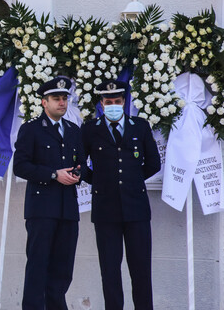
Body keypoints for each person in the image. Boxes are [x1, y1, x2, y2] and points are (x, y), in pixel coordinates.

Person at [81, 80, 161, 310]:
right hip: (106, 210)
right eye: (108, 102)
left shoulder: (140, 126)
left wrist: (133, 180)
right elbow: (80, 162)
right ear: (101, 104)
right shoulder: (90, 129)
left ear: (124, 102)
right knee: (110, 271)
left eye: (117, 101)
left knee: (141, 270)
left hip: (136, 209)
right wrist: (98, 181)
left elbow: (153, 163)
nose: (113, 105)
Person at [13, 76, 84, 310]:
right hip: (42, 209)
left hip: (68, 210)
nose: (62, 103)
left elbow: (81, 163)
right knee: (38, 267)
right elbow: (20, 166)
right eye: (56, 99)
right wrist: (53, 174)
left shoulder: (74, 131)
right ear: (44, 102)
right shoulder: (31, 129)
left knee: (63, 270)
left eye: (64, 98)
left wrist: (77, 174)